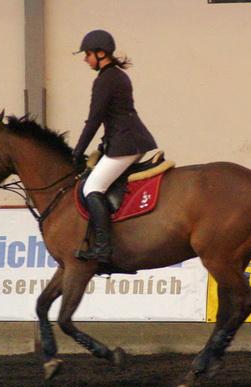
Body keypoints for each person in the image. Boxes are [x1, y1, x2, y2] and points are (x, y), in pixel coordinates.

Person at [72, 30, 158, 264]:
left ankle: (103, 247)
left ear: (101, 53)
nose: (85, 59)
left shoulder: (105, 80)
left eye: (88, 54)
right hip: (127, 139)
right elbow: (115, 116)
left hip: (125, 144)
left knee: (92, 187)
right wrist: (103, 146)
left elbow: (94, 120)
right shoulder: (117, 76)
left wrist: (78, 151)